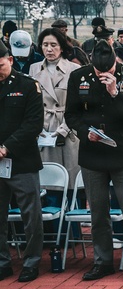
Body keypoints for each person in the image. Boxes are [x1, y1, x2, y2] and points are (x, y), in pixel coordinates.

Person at [64, 41, 123, 281]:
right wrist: (84, 132)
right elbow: (71, 114)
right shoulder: (78, 76)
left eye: (108, 70)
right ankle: (102, 261)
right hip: (93, 152)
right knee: (98, 213)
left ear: (115, 63)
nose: (103, 74)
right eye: (99, 71)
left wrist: (115, 93)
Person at [0, 40, 45, 282]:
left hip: (22, 160)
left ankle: (31, 261)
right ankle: (2, 262)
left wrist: (6, 148)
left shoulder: (28, 85)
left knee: (31, 216)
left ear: (9, 60)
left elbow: (33, 124)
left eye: (0, 66)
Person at [29, 28, 81, 194]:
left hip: (68, 128)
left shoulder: (74, 69)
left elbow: (78, 104)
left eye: (53, 45)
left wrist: (65, 128)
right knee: (49, 184)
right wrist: (37, 128)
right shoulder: (34, 69)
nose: (49, 49)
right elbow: (31, 103)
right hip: (44, 129)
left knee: (72, 183)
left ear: (62, 47)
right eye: (45, 45)